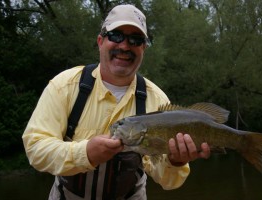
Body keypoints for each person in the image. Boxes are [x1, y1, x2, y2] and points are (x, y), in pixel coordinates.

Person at [22, 4, 210, 200]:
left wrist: (176, 161)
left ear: (143, 48)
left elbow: (170, 181)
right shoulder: (65, 86)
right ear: (100, 41)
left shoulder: (158, 101)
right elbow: (36, 149)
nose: (124, 46)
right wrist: (85, 153)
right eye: (116, 35)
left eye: (135, 40)